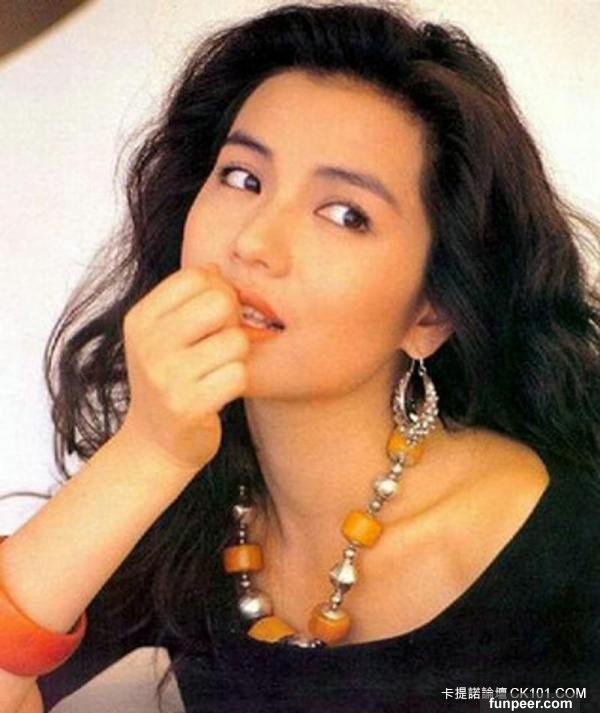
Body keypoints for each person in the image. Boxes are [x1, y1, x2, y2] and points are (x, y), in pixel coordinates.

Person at [1, 2, 598, 712]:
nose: (254, 241)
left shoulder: (571, 559)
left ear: (431, 311)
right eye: (242, 178)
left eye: (345, 214)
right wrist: (148, 454)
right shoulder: (183, 517)